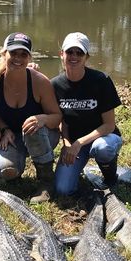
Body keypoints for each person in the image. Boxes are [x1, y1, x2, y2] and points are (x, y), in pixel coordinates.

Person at [0, 32, 62, 203]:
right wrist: (5, 129)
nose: (18, 58)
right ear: (4, 54)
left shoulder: (40, 82)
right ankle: (17, 168)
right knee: (6, 171)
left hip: (42, 135)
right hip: (13, 137)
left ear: (29, 57)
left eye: (23, 54)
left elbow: (57, 117)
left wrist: (43, 119)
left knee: (32, 126)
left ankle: (46, 181)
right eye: (13, 53)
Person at [51, 32, 123, 196]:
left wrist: (79, 143)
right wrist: (67, 143)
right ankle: (78, 172)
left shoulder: (101, 80)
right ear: (61, 54)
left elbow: (109, 125)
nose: (74, 56)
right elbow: (60, 120)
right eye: (70, 52)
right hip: (75, 143)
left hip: (102, 138)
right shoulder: (54, 85)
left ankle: (110, 177)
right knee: (63, 189)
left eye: (79, 52)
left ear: (87, 56)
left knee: (102, 148)